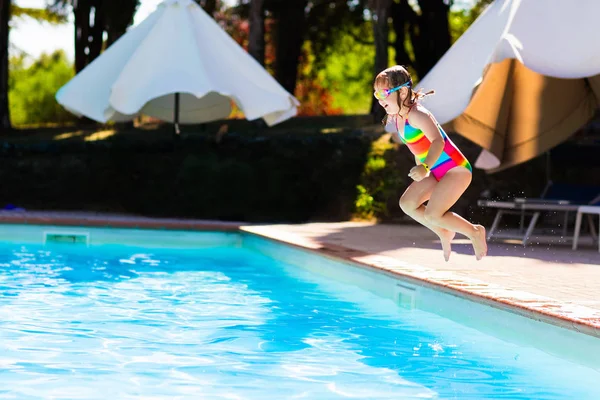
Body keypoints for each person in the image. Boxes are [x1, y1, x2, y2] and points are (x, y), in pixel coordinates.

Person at [374, 65, 487, 261]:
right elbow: (419, 146)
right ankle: (443, 232)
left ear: (402, 91)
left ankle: (475, 232)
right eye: (376, 94)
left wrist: (424, 167)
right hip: (434, 170)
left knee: (433, 214)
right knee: (408, 204)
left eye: (384, 93)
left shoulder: (418, 114)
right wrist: (424, 167)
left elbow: (438, 141)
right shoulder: (399, 117)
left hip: (455, 169)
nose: (380, 99)